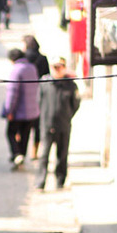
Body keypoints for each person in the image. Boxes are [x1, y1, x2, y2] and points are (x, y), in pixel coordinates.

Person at [36, 56, 80, 190]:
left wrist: (67, 116)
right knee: (44, 155)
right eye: (55, 67)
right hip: (47, 125)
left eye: (60, 67)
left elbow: (76, 104)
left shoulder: (71, 85)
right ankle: (40, 181)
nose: (57, 70)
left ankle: (60, 180)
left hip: (64, 125)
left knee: (62, 155)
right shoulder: (44, 83)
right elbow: (39, 101)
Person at [2, 48, 40, 169]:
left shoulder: (16, 70)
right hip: (32, 110)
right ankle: (21, 155)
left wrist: (9, 110)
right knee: (25, 134)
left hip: (18, 110)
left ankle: (16, 154)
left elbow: (12, 93)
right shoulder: (32, 68)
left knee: (11, 133)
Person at [23, 35, 50, 159]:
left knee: (25, 123)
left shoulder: (24, 59)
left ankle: (22, 150)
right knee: (38, 125)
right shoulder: (43, 59)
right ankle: (35, 151)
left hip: (26, 94)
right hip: (40, 94)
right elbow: (47, 77)